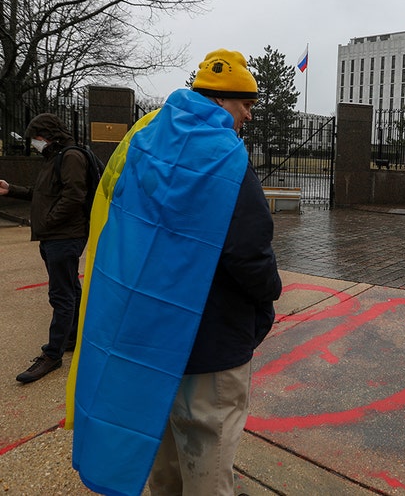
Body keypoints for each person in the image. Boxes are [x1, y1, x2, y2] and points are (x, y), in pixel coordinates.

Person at [67, 49, 282, 496]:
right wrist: (268, 298)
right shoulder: (227, 157)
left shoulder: (143, 143)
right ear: (223, 101)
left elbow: (113, 220)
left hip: (144, 338)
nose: (247, 115)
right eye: (245, 104)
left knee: (160, 447)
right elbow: (249, 253)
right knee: (208, 449)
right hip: (211, 341)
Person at [0, 114, 90, 384]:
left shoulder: (70, 157)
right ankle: (71, 338)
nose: (34, 143)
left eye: (36, 137)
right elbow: (40, 193)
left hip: (64, 236)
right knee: (69, 289)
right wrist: (10, 190)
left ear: (49, 135)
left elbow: (74, 196)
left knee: (61, 295)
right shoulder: (53, 159)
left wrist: (49, 220)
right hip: (54, 236)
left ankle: (52, 354)